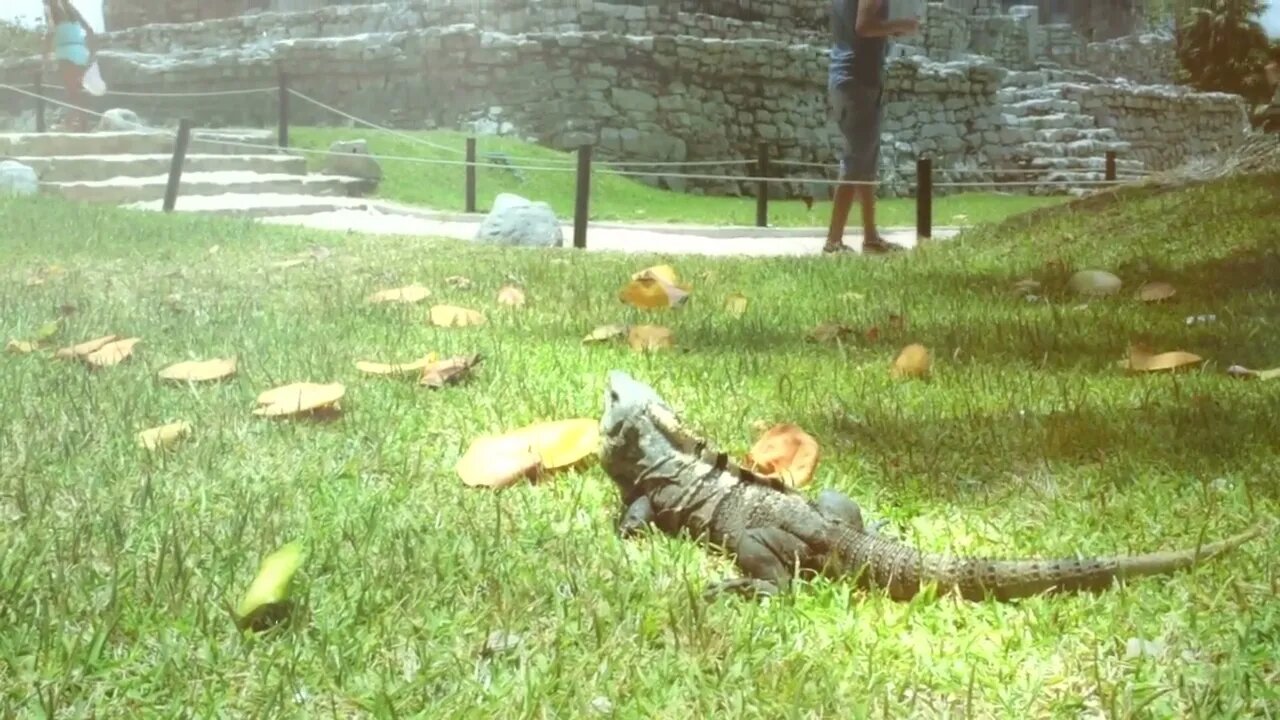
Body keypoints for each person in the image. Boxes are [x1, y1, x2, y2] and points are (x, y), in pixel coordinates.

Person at [825, 0, 919, 254]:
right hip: (858, 80)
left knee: (866, 160)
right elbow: (864, 27)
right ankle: (833, 243)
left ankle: (870, 238)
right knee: (856, 162)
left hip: (849, 78)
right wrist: (900, 25)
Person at [42, 0, 97, 133]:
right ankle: (80, 123)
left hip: (65, 51)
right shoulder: (69, 7)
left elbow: (50, 30)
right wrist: (92, 53)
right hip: (81, 51)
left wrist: (45, 55)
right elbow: (89, 29)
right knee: (79, 90)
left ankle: (71, 123)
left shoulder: (49, 6)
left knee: (72, 92)